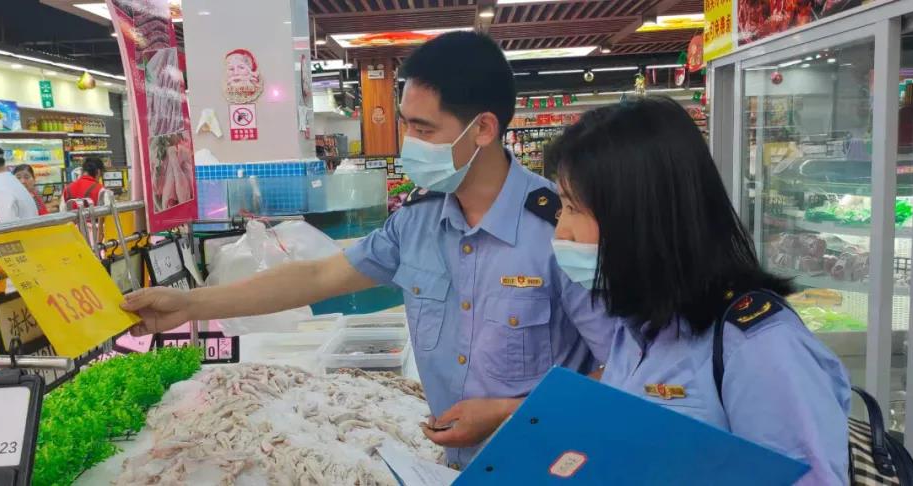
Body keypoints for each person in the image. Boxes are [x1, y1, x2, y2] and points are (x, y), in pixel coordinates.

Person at [120, 32, 613, 470]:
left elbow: (623, 369)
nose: (407, 144)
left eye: (424, 130)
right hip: (454, 467)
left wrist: (510, 411)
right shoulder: (417, 221)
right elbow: (315, 278)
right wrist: (189, 305)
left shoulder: (561, 230)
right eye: (405, 125)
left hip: (549, 464)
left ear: (483, 129)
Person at [429, 97, 850, 484]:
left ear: (639, 216)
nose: (561, 231)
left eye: (574, 209)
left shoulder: (758, 348)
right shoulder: (636, 332)